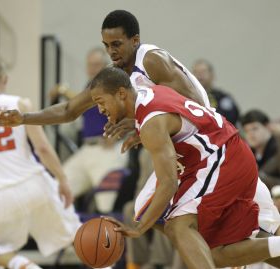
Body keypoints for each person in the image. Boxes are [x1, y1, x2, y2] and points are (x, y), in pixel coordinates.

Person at [0, 9, 280, 267]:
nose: (111, 52)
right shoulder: (114, 80)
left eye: (117, 44)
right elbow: (68, 109)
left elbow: (195, 108)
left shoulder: (152, 61)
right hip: (187, 151)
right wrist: (24, 118)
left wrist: (147, 125)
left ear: (134, 40)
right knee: (179, 226)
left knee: (175, 223)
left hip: (210, 150)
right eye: (106, 46)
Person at [89, 66, 280, 269]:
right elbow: (191, 96)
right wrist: (139, 126)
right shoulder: (148, 90)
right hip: (226, 152)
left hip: (221, 159)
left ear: (120, 93)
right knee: (214, 254)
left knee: (178, 225)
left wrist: (138, 230)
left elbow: (169, 183)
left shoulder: (151, 123)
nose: (99, 110)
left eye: (101, 102)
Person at [0, 58, 81, 269]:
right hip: (36, 184)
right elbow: (43, 148)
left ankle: (24, 265)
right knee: (79, 238)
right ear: (5, 80)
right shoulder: (20, 104)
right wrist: (62, 179)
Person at [49, 47, 128, 213]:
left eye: (97, 65)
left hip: (109, 149)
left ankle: (109, 238)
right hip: (88, 147)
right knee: (57, 188)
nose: (93, 69)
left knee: (105, 205)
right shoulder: (90, 86)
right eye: (90, 65)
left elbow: (129, 110)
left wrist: (63, 90)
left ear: (106, 66)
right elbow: (79, 106)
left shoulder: (113, 83)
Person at [192, 59, 240, 126]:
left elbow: (233, 120)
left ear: (212, 75)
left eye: (203, 71)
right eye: (196, 72)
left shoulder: (223, 98)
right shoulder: (188, 98)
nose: (199, 75)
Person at [241, 109, 280, 190]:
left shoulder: (277, 147)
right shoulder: (247, 153)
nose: (250, 134)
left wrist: (258, 177)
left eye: (255, 128)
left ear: (268, 126)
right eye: (246, 131)